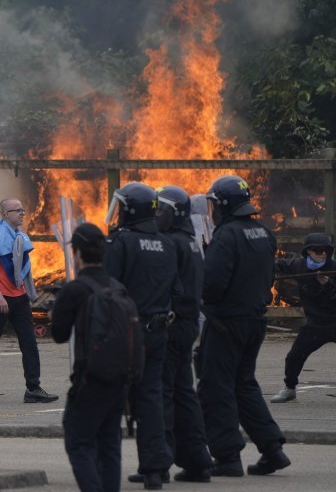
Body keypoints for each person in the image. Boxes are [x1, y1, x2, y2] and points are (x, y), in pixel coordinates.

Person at [197, 175, 290, 477]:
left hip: (225, 323)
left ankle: (226, 457)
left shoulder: (226, 236)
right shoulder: (264, 232)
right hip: (254, 322)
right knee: (243, 384)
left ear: (223, 205)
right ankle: (272, 449)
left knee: (216, 387)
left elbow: (212, 285)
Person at [104, 182, 176, 490]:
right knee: (152, 398)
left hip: (126, 332)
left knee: (110, 397)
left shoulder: (122, 243)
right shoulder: (168, 244)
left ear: (131, 210)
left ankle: (102, 467)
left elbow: (108, 287)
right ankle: (155, 468)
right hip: (159, 330)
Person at [52, 223, 126, 492]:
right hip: (119, 376)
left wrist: (57, 307)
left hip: (90, 376)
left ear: (78, 253)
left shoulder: (76, 289)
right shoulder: (117, 286)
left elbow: (59, 334)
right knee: (109, 442)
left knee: (78, 440)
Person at [0, 198, 58, 405]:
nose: (22, 213)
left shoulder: (20, 237)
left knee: (29, 343)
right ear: (6, 214)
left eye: (23, 210)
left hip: (19, 298)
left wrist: (27, 293)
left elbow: (22, 270)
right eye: (18, 211)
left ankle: (33, 388)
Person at [154, 186, 213, 482]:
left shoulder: (170, 243)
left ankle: (159, 463)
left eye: (159, 209)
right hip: (188, 324)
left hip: (171, 325)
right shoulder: (189, 241)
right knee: (184, 393)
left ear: (173, 213)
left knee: (162, 394)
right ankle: (197, 460)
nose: (155, 215)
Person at [271, 233, 336, 403]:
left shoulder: (333, 267)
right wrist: (268, 271)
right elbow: (278, 265)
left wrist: (328, 285)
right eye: (317, 250)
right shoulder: (298, 266)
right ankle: (289, 388)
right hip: (315, 325)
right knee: (294, 356)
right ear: (308, 251)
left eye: (325, 251)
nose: (322, 253)